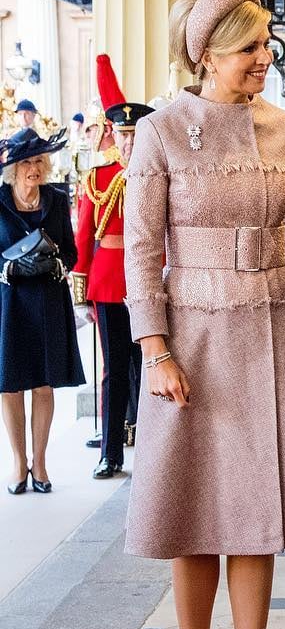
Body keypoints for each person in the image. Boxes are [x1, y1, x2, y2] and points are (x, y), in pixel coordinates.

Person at [124, 0, 285, 629]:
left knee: (255, 519)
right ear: (207, 56)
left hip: (275, 335)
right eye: (250, 46)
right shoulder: (160, 130)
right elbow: (143, 253)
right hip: (191, 346)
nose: (264, 56)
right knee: (191, 520)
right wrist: (155, 349)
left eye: (267, 41)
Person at [72, 70, 152, 479]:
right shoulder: (98, 178)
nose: (128, 142)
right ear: (113, 136)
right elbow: (84, 237)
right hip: (108, 283)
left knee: (150, 364)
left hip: (148, 286)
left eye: (135, 135)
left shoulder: (157, 175)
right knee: (113, 369)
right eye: (123, 135)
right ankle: (111, 452)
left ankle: (150, 444)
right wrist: (81, 287)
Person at [0, 127, 85, 495]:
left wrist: (58, 264)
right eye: (26, 162)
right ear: (13, 169)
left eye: (39, 161)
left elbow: (71, 250)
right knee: (11, 386)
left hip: (48, 301)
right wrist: (8, 268)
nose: (34, 168)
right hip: (10, 303)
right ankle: (19, 464)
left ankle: (41, 462)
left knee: (43, 385)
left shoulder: (55, 198)